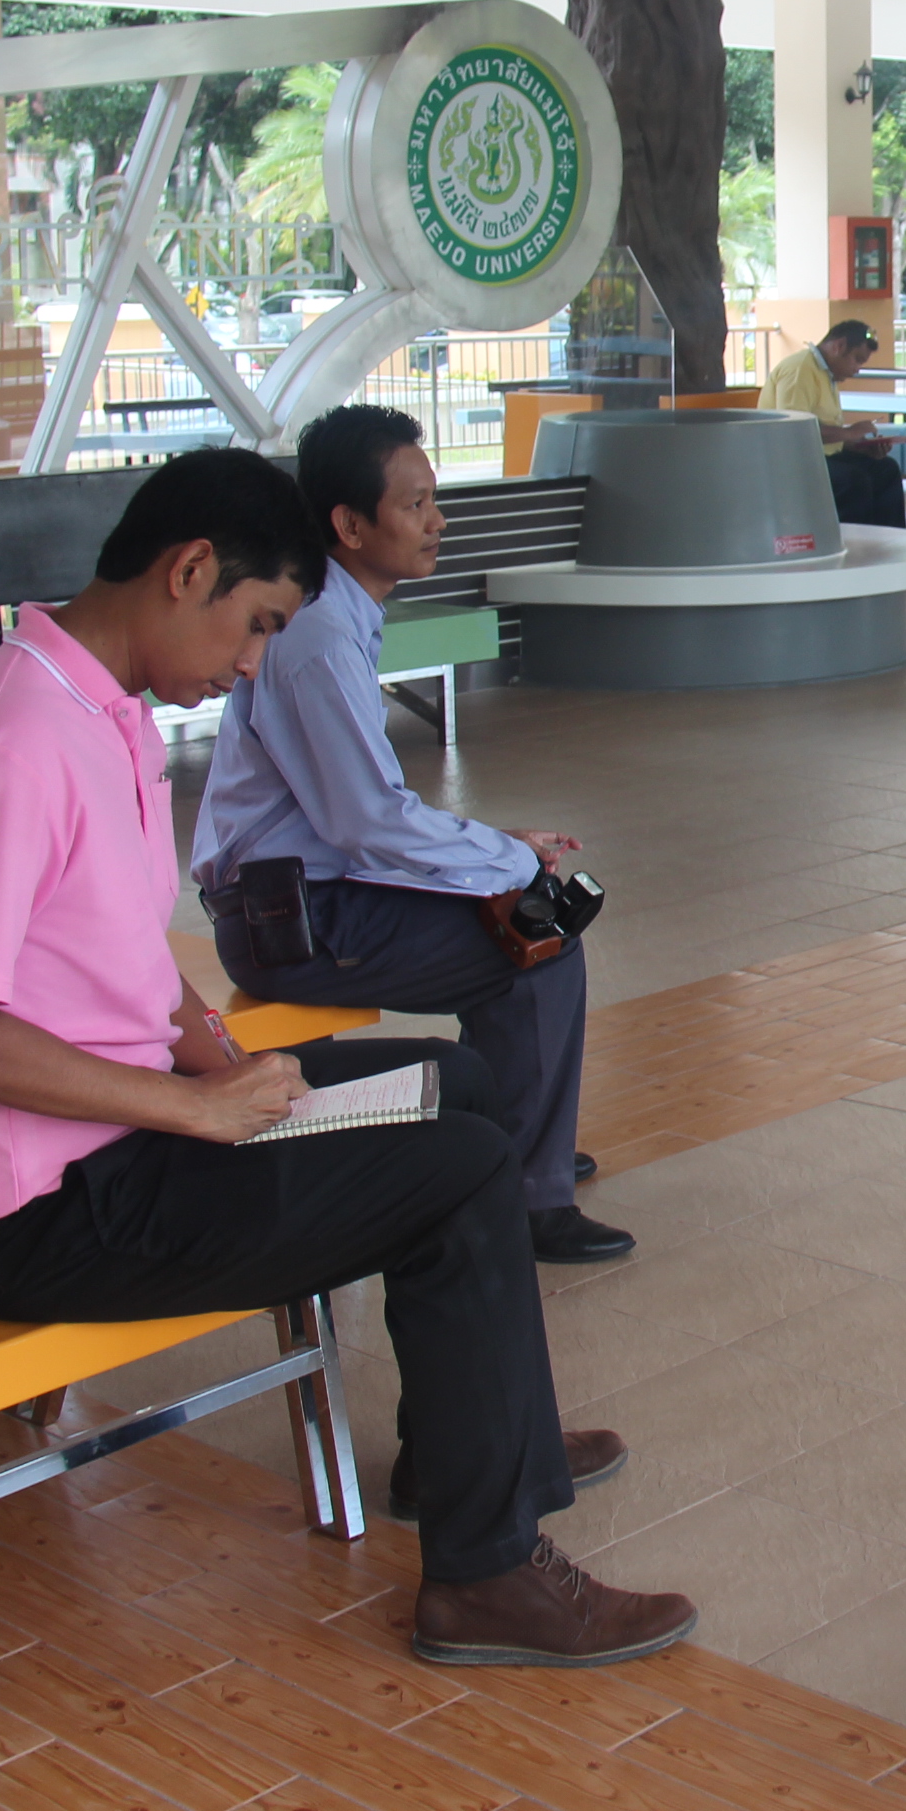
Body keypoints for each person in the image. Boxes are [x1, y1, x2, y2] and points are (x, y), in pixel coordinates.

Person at [0, 448, 692, 1668]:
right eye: (258, 624)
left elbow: (120, 960)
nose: (256, 662)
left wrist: (218, 1065)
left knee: (464, 1087)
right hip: (46, 1207)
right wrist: (194, 1110)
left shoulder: (104, 711)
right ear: (188, 571)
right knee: (462, 1174)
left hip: (136, 1135)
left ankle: (469, 1453)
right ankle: (484, 1576)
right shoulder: (12, 739)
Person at [190, 405, 631, 1266]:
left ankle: (517, 1142)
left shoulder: (331, 614)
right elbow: (364, 822)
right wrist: (506, 858)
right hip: (293, 920)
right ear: (350, 525)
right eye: (415, 504)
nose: (437, 521)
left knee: (512, 913)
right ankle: (528, 1193)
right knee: (539, 946)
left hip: (304, 896)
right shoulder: (318, 635)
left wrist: (491, 849)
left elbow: (357, 815)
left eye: (434, 500)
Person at [762, 319, 906, 529]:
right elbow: (794, 430)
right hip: (790, 462)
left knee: (885, 470)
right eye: (857, 359)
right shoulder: (800, 369)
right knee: (853, 481)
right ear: (839, 346)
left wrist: (859, 447)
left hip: (819, 456)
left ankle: (888, 540)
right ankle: (849, 541)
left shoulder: (825, 374)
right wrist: (850, 432)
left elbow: (824, 432)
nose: (857, 369)